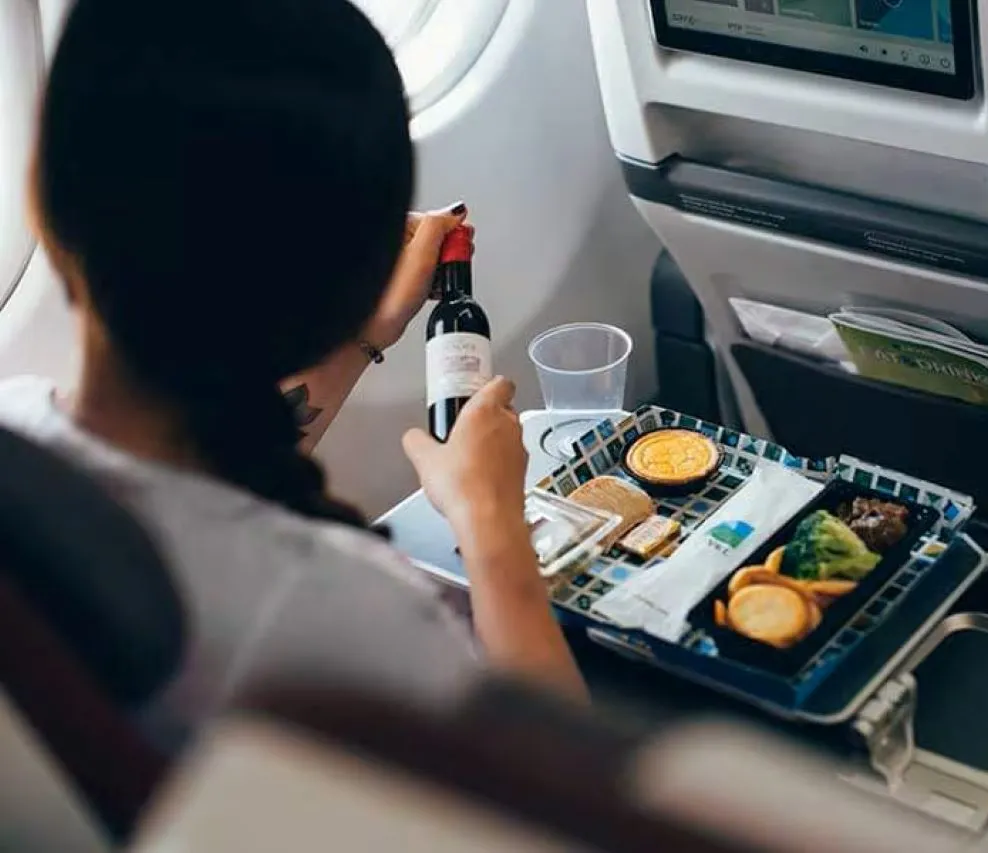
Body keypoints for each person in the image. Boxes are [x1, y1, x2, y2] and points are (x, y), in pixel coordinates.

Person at [0, 0, 586, 752]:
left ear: (47, 199)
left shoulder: (18, 437)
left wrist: (363, 338)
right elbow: (563, 776)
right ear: (345, 281)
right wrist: (495, 530)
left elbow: (199, 474)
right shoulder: (342, 614)